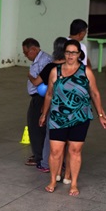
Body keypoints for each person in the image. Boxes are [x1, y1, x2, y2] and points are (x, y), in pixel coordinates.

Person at [39, 39, 106, 196]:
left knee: (75, 150)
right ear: (64, 53)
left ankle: (74, 183)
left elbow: (95, 93)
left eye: (74, 53)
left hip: (80, 117)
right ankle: (53, 180)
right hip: (58, 117)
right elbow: (49, 94)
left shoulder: (86, 72)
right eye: (68, 52)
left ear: (79, 54)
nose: (70, 55)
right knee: (55, 151)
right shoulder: (55, 71)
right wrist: (44, 114)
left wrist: (101, 114)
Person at [29, 37, 67, 174]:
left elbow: (39, 85)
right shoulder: (73, 67)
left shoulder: (50, 68)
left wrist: (29, 76)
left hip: (54, 106)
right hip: (70, 107)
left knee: (50, 135)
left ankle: (45, 163)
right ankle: (63, 164)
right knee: (66, 137)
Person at [23, 38, 54, 169]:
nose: (25, 55)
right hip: (37, 97)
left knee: (37, 127)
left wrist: (29, 76)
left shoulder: (45, 61)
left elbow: (41, 82)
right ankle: (39, 154)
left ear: (34, 49)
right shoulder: (38, 60)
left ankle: (40, 157)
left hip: (41, 97)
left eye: (26, 52)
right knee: (34, 125)